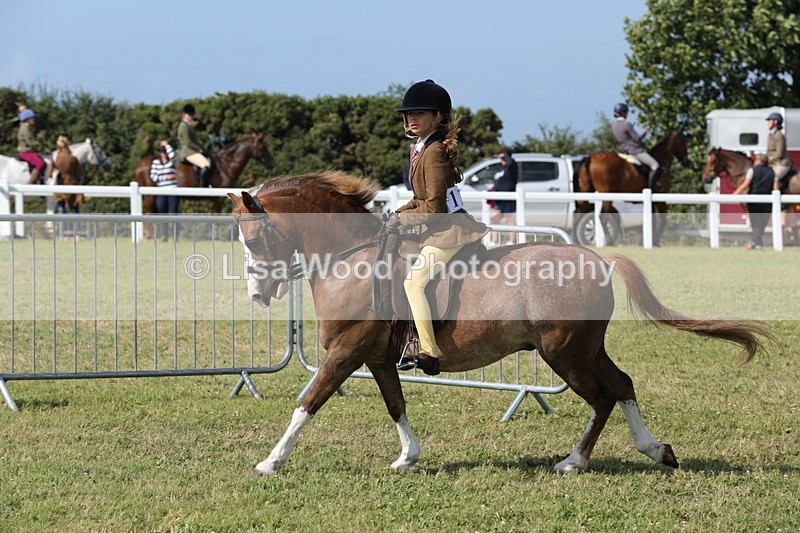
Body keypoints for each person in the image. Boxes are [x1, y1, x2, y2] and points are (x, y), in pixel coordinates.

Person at [390, 79, 490, 376]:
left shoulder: (432, 151)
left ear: (437, 117)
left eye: (419, 114)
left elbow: (433, 207)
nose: (411, 119)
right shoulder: (420, 148)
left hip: (448, 230)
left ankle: (429, 352)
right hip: (438, 226)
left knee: (414, 282)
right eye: (409, 114)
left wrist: (400, 221)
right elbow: (418, 198)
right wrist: (394, 214)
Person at [611, 102, 661, 191]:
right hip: (634, 151)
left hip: (622, 152)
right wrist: (645, 131)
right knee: (655, 165)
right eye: (626, 112)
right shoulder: (627, 124)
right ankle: (651, 189)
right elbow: (637, 138)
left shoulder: (614, 126)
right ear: (623, 113)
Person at [733, 153, 775, 250]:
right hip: (767, 202)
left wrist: (735, 194)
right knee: (762, 224)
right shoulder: (772, 171)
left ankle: (755, 244)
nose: (754, 161)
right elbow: (775, 187)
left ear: (760, 161)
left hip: (754, 201)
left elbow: (745, 184)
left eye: (756, 159)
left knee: (755, 223)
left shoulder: (752, 170)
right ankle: (757, 244)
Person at [51, 135, 84, 236]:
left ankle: (62, 234)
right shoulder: (73, 158)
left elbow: (50, 174)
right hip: (73, 185)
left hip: (60, 187)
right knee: (75, 210)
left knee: (61, 209)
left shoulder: (56, 158)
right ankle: (77, 233)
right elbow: (78, 174)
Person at [150, 140, 180, 240]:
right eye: (162, 151)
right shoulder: (156, 163)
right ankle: (165, 235)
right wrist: (166, 178)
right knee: (162, 211)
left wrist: (167, 145)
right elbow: (153, 177)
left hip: (173, 190)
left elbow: (174, 157)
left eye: (165, 151)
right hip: (161, 190)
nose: (164, 153)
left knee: (174, 212)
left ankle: (176, 235)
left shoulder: (172, 162)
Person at [176, 103, 211, 187]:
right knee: (205, 165)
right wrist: (199, 150)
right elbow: (188, 142)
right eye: (189, 114)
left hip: (192, 150)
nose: (191, 116)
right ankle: (202, 186)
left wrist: (203, 148)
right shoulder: (184, 126)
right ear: (184, 115)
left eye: (192, 114)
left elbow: (195, 141)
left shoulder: (188, 125)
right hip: (188, 151)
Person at [488, 148, 518, 243]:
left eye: (502, 156)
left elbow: (510, 162)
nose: (501, 158)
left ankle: (512, 241)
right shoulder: (501, 168)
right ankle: (494, 240)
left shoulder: (512, 166)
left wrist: (505, 155)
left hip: (508, 198)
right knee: (494, 219)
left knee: (510, 220)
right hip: (499, 198)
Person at [16, 107, 47, 184]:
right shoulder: (25, 129)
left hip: (29, 151)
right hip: (25, 152)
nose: (34, 120)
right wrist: (43, 149)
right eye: (32, 118)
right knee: (40, 163)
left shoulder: (28, 128)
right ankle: (31, 183)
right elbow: (31, 142)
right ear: (27, 119)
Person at [765, 112, 792, 184]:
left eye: (769, 120)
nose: (768, 123)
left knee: (772, 178)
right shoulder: (770, 135)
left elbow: (779, 153)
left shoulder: (779, 135)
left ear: (775, 121)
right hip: (773, 163)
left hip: (781, 164)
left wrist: (769, 158)